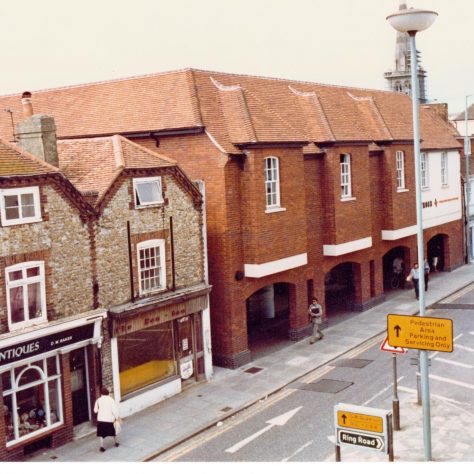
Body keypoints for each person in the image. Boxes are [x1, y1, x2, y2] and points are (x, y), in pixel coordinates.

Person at [94, 387, 120, 452]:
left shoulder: (98, 400)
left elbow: (95, 411)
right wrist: (117, 418)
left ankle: (102, 446)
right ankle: (116, 443)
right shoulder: (111, 400)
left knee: (101, 434)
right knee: (113, 432)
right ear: (108, 393)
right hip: (109, 419)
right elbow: (114, 411)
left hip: (101, 420)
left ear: (101, 394)